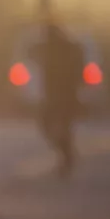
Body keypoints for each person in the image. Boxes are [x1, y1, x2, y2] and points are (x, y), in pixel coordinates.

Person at [34, 20, 85, 178]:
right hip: (60, 95)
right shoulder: (64, 48)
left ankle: (66, 156)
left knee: (55, 126)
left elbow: (78, 71)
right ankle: (66, 154)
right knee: (54, 127)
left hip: (62, 96)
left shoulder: (64, 49)